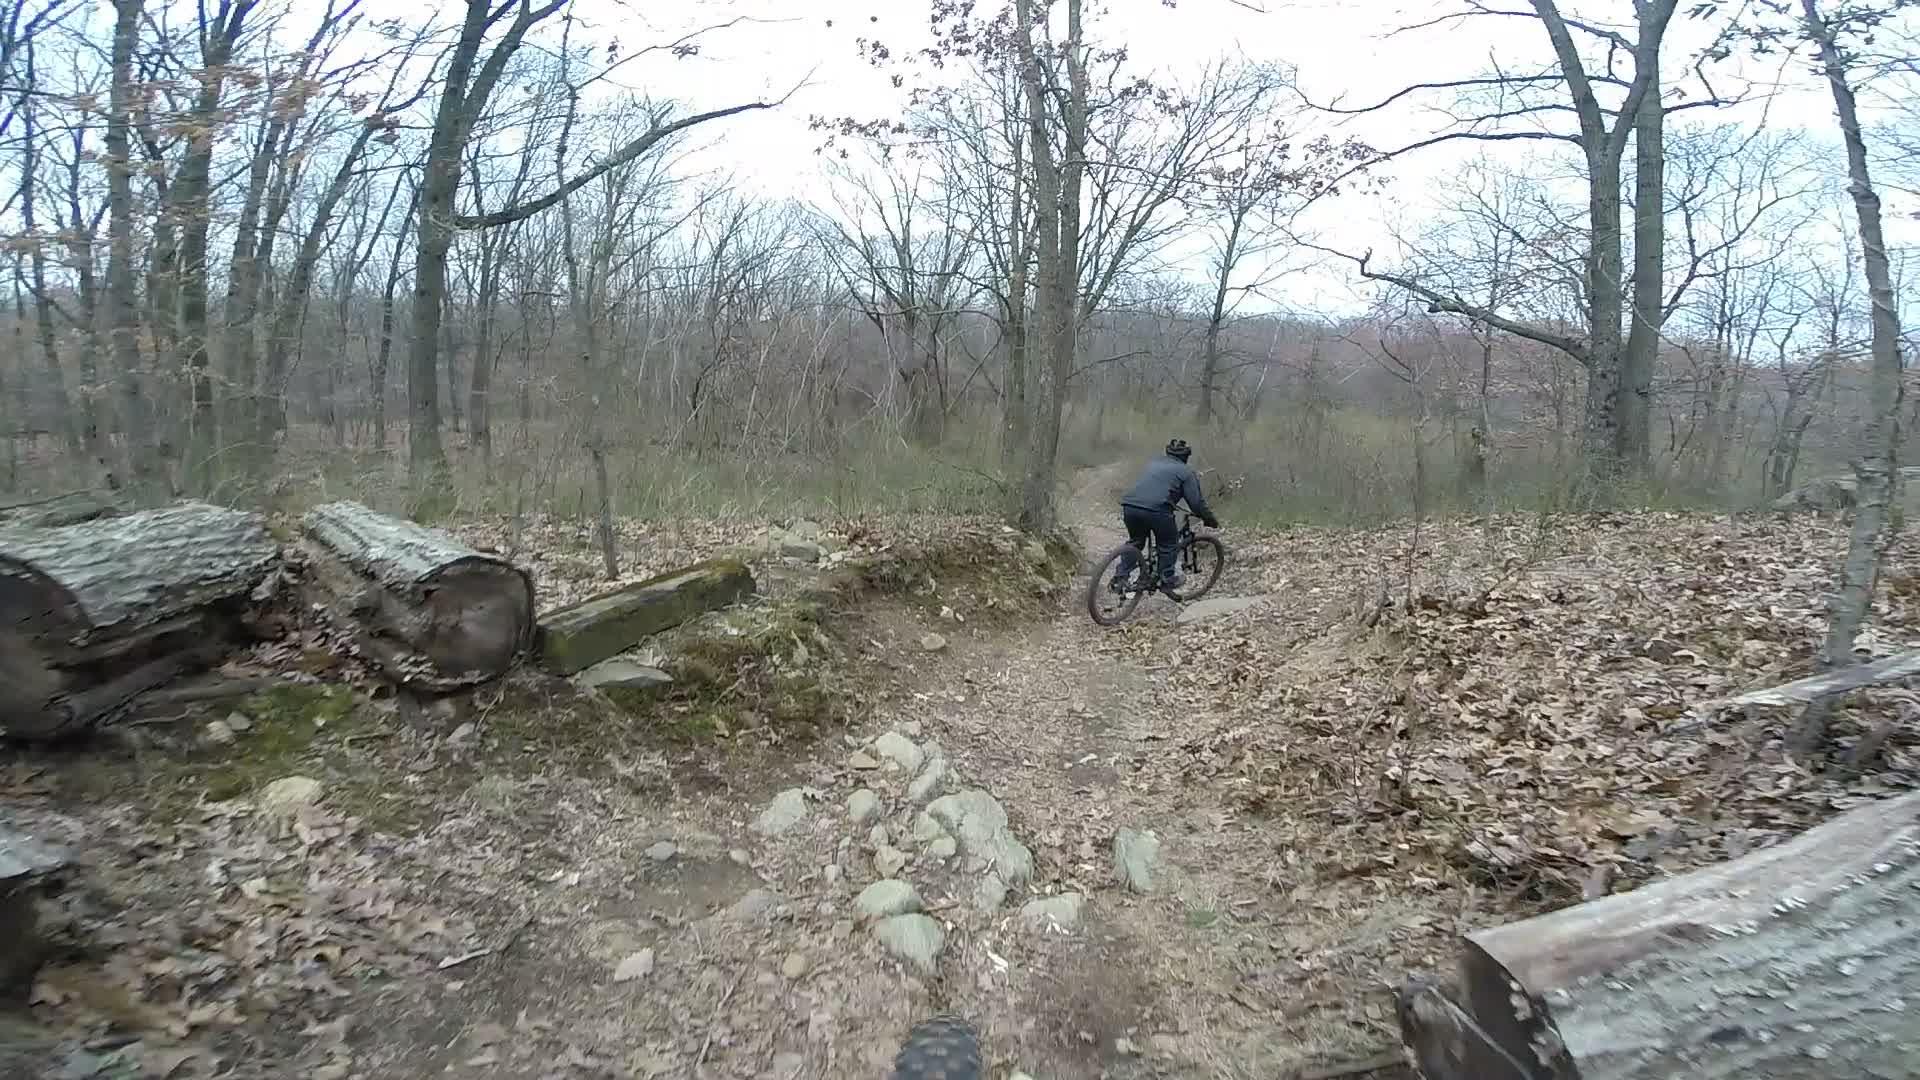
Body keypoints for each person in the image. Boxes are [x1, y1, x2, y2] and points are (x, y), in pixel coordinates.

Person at [1118, 438, 1219, 594]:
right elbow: (1196, 503)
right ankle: (1167, 579)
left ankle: (1120, 577)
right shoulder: (1186, 472)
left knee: (1136, 542)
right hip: (1157, 510)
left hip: (1130, 505)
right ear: (1186, 457)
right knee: (1168, 543)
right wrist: (1210, 519)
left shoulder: (1153, 463)